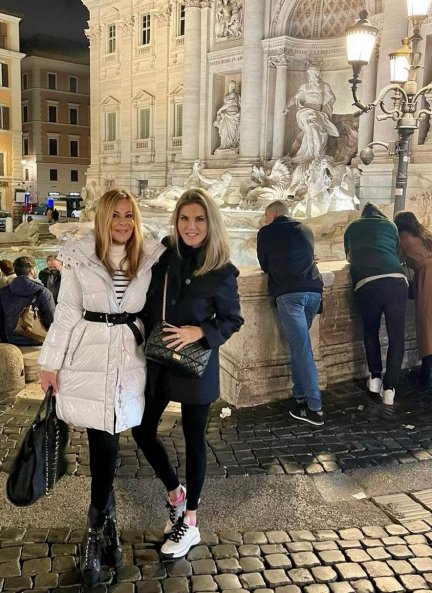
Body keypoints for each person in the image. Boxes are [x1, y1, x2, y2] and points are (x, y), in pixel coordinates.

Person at [39, 190, 165, 587]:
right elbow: (65, 315)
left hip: (127, 356)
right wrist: (49, 364)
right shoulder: (81, 257)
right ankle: (97, 530)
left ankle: (103, 529)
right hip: (88, 354)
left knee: (109, 438)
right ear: (102, 220)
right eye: (115, 216)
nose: (123, 223)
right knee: (102, 440)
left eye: (129, 215)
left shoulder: (148, 258)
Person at [132, 188, 243, 559]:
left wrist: (202, 332)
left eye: (198, 219)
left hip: (197, 363)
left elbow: (233, 319)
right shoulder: (163, 257)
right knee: (143, 429)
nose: (191, 226)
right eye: (184, 219)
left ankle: (190, 522)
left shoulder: (222, 270)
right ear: (176, 222)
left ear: (210, 223)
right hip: (160, 360)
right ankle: (175, 493)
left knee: (194, 441)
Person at [257, 200, 324, 426]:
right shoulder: (306, 229)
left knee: (302, 348)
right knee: (299, 345)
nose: (265, 221)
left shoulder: (266, 232)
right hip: (314, 291)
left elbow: (264, 265)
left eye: (266, 217)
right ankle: (300, 395)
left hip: (290, 294)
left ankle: (315, 408)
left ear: (273, 214)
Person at [344, 202, 408, 406]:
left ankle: (375, 378)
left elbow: (348, 257)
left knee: (370, 331)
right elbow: (396, 253)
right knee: (396, 337)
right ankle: (390, 390)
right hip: (397, 281)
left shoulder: (352, 227)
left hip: (367, 283)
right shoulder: (390, 226)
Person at [394, 211, 432, 388]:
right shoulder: (425, 235)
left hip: (427, 277)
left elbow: (395, 260)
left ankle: (427, 373)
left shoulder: (403, 240)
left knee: (425, 323)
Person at [283, 65, 339, 164]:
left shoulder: (324, 86)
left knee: (312, 129)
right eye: (311, 73)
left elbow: (332, 98)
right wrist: (286, 107)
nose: (313, 75)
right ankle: (316, 154)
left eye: (315, 73)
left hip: (317, 112)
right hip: (305, 111)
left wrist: (327, 107)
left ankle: (312, 154)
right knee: (312, 127)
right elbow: (295, 98)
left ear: (318, 74)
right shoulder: (304, 86)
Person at [0, 256, 55, 346]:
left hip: (12, 343)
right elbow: (51, 321)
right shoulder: (43, 292)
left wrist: (6, 339)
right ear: (31, 271)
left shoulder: (2, 292)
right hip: (37, 342)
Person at [213, 80, 241, 150]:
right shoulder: (227, 95)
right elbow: (226, 104)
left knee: (231, 131)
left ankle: (230, 144)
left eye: (233, 85)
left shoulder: (233, 94)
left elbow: (228, 104)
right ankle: (225, 145)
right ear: (229, 85)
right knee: (224, 130)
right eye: (231, 85)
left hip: (233, 115)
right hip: (227, 114)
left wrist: (219, 110)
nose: (232, 87)